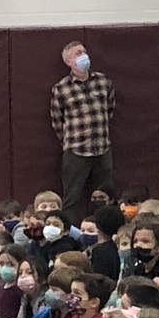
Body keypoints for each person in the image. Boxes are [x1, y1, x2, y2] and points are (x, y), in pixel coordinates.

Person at [50, 41, 116, 225]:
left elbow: (110, 109)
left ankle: (104, 229)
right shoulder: (61, 88)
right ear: (69, 61)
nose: (83, 56)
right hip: (76, 150)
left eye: (84, 51)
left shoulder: (103, 81)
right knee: (72, 198)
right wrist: (68, 141)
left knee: (104, 196)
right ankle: (71, 234)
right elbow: (57, 120)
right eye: (78, 53)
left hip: (102, 148)